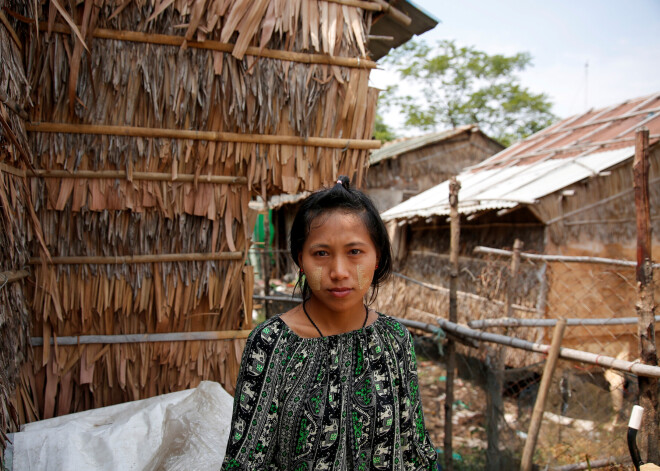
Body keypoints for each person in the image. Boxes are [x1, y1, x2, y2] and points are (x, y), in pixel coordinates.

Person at [222, 176, 438, 470]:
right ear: (301, 260)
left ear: (376, 259)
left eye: (355, 252)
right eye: (321, 253)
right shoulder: (271, 343)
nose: (338, 272)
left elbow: (413, 447)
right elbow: (247, 461)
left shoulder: (394, 339)